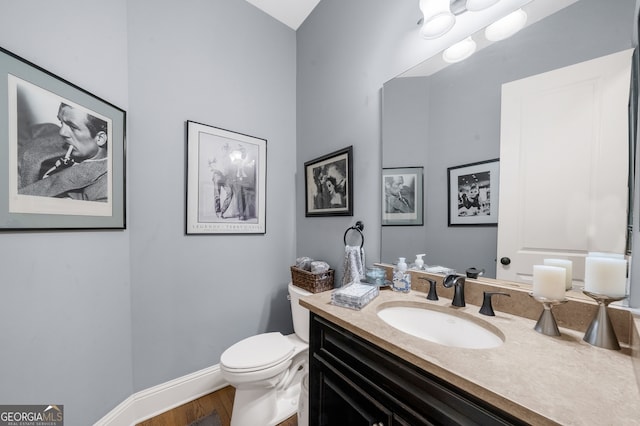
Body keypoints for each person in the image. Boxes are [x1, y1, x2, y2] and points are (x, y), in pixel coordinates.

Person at [19, 103, 108, 202]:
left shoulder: (104, 189)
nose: (62, 132)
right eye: (61, 122)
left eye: (73, 127)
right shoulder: (47, 131)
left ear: (100, 138)